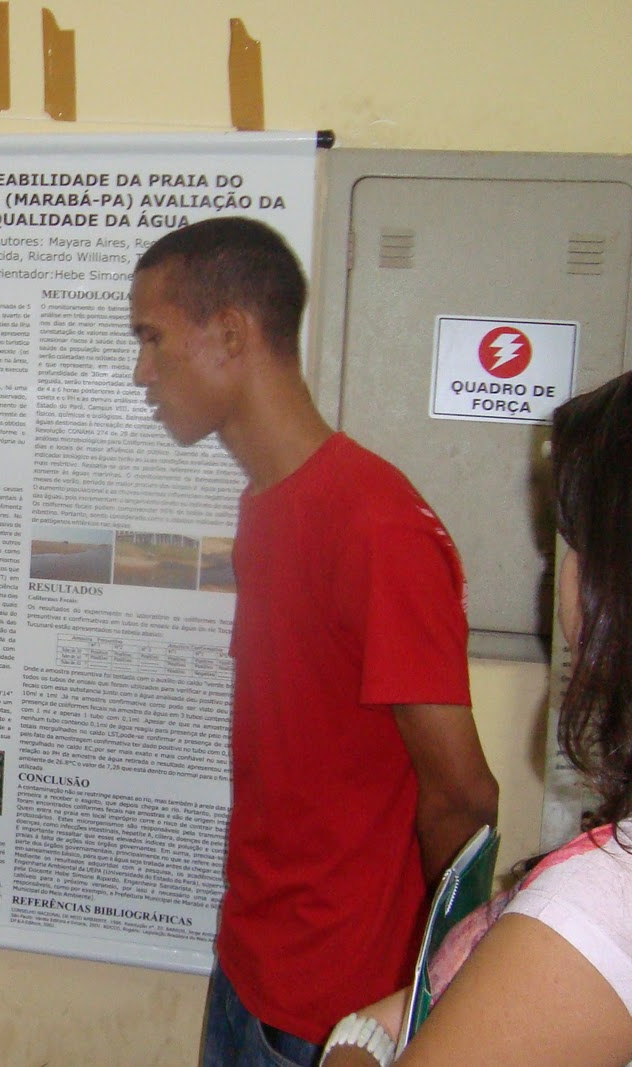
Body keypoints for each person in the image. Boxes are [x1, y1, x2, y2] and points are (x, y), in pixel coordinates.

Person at [128, 216, 499, 1066]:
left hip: (334, 1016)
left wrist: (426, 985)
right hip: (251, 974)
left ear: (230, 333)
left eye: (153, 338)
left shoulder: (374, 524)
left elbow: (466, 795)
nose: (143, 370)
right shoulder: (266, 503)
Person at [320, 371, 632, 1066]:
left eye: (571, 547)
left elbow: (462, 793)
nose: (559, 581)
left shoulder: (593, 908)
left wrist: (353, 1044)